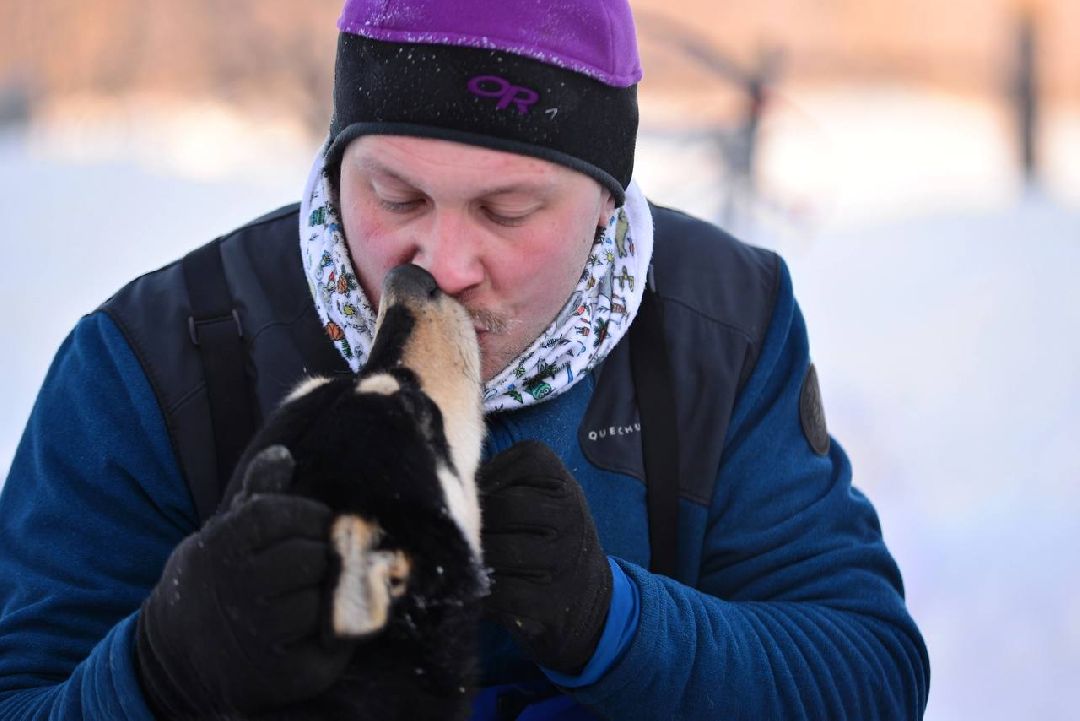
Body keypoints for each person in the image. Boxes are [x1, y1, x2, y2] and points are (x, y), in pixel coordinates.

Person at [0, 0, 930, 718]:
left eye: (506, 212)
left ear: (607, 201)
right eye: (396, 195)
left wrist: (617, 622)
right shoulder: (158, 363)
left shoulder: (720, 330)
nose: (443, 264)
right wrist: (162, 670)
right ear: (334, 165)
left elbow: (867, 672)